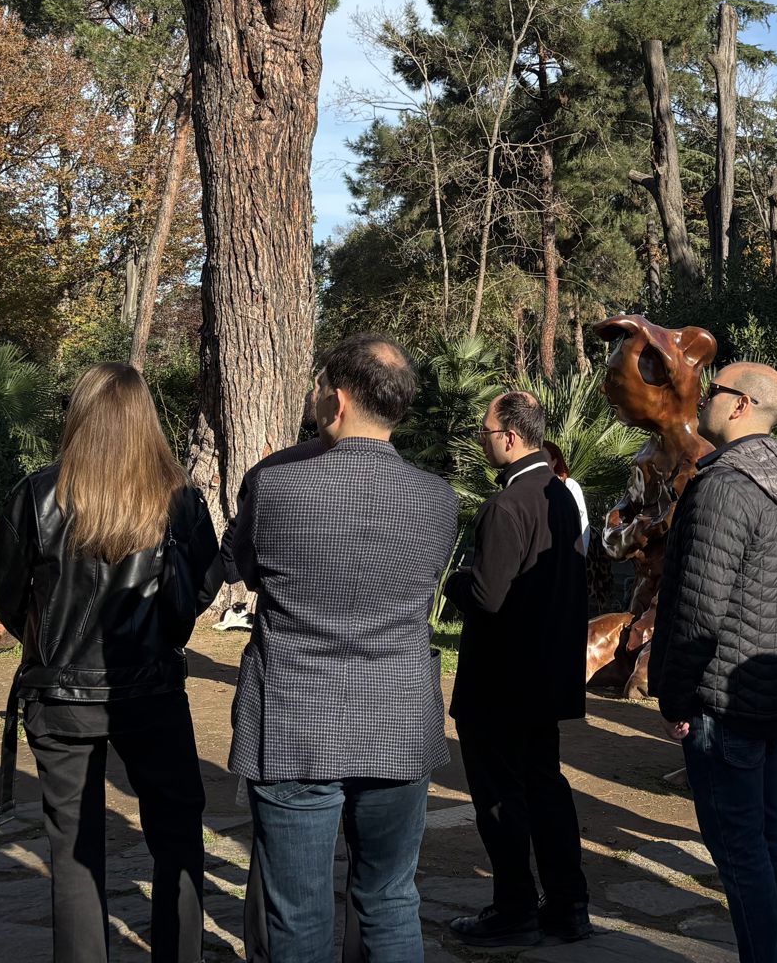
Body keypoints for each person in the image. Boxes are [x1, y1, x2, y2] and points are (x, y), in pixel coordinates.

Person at [224, 334, 458, 963]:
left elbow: (242, 568)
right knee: (390, 898)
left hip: (294, 719)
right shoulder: (437, 498)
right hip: (397, 718)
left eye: (320, 384)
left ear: (340, 398)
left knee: (297, 911)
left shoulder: (275, 485)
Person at [0, 362, 221, 963]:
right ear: (145, 419)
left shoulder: (37, 495)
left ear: (79, 415)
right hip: (151, 691)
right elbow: (202, 584)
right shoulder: (178, 499)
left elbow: (8, 594)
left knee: (73, 851)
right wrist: (162, 631)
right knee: (177, 837)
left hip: (60, 694)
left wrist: (49, 646)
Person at [652, 362, 777, 963]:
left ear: (742, 404)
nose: (702, 398)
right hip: (770, 689)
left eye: (714, 389)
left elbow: (699, 610)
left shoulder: (724, 487)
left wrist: (674, 696)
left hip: (722, 698)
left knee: (740, 848)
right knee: (767, 835)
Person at [444, 391, 592, 946]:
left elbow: (487, 595)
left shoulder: (507, 506)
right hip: (545, 674)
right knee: (545, 786)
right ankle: (568, 904)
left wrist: (453, 580)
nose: (482, 440)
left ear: (509, 437)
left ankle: (514, 910)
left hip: (501, 682)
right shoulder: (559, 496)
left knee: (500, 795)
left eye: (484, 432)